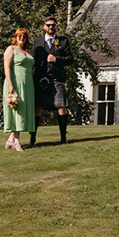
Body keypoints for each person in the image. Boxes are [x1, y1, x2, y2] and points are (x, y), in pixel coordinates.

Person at [31, 16, 73, 146]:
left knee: (62, 107)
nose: (51, 27)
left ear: (56, 27)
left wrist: (56, 59)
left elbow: (70, 59)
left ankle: (63, 138)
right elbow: (31, 59)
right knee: (37, 108)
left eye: (53, 25)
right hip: (40, 79)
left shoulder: (63, 41)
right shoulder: (37, 42)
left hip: (57, 78)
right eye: (48, 25)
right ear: (44, 26)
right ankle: (32, 139)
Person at [3, 28, 35, 152]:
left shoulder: (26, 51)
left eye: (24, 36)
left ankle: (10, 140)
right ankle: (17, 141)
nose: (22, 38)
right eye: (19, 36)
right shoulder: (11, 49)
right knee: (18, 110)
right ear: (15, 37)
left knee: (22, 110)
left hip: (27, 85)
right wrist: (11, 85)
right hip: (15, 83)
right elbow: (6, 67)